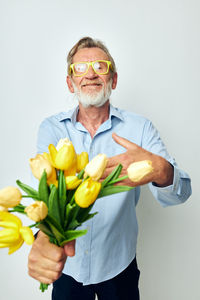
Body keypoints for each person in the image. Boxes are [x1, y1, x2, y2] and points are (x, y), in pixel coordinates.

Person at [28, 37, 192, 300]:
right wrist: (45, 237)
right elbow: (45, 192)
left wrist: (161, 170)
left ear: (113, 80)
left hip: (120, 266)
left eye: (100, 66)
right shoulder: (52, 128)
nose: (91, 73)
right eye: (80, 68)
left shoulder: (140, 129)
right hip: (69, 269)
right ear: (70, 82)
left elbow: (181, 193)